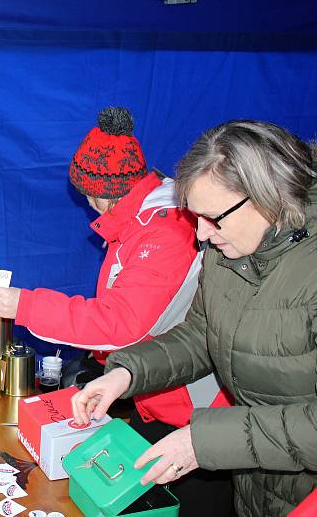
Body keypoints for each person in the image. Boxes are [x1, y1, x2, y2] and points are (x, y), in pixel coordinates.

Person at [0, 107, 234, 515]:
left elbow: (121, 325)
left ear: (95, 193)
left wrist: (24, 305)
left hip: (192, 411)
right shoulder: (138, 217)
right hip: (153, 392)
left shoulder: (164, 231)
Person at [71, 120, 317, 516]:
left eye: (213, 218)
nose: (201, 235)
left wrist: (204, 442)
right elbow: (202, 333)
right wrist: (127, 373)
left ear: (268, 197)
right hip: (258, 482)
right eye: (195, 217)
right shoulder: (228, 249)